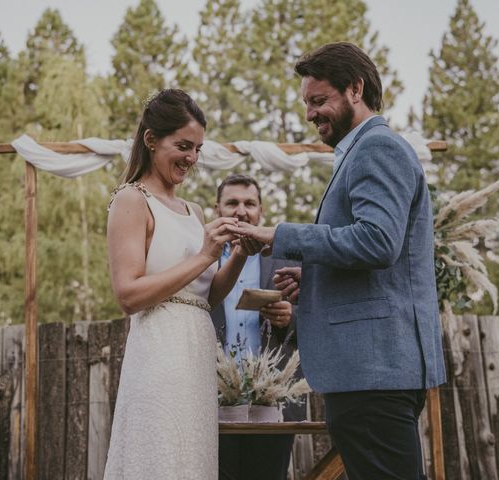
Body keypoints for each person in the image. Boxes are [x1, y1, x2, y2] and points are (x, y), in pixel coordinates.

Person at [229, 42, 447, 480]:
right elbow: (376, 252)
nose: (310, 114)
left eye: (318, 100)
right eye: (307, 103)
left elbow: (377, 242)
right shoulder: (363, 151)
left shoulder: (377, 148)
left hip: (374, 370)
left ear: (355, 89)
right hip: (369, 372)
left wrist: (282, 236)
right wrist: (312, 276)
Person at [104, 89, 256, 479]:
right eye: (183, 146)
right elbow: (128, 294)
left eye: (198, 149)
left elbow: (207, 295)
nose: (191, 158)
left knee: (192, 460)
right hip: (159, 351)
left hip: (196, 350)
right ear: (151, 140)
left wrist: (239, 252)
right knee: (161, 457)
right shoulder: (131, 200)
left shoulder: (195, 211)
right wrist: (205, 255)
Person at [211, 174, 305, 480]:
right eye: (232, 203)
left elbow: (317, 317)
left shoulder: (286, 258)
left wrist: (289, 318)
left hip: (272, 401)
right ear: (217, 209)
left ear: (260, 211)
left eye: (249, 203)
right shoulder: (201, 259)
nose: (241, 210)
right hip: (213, 402)